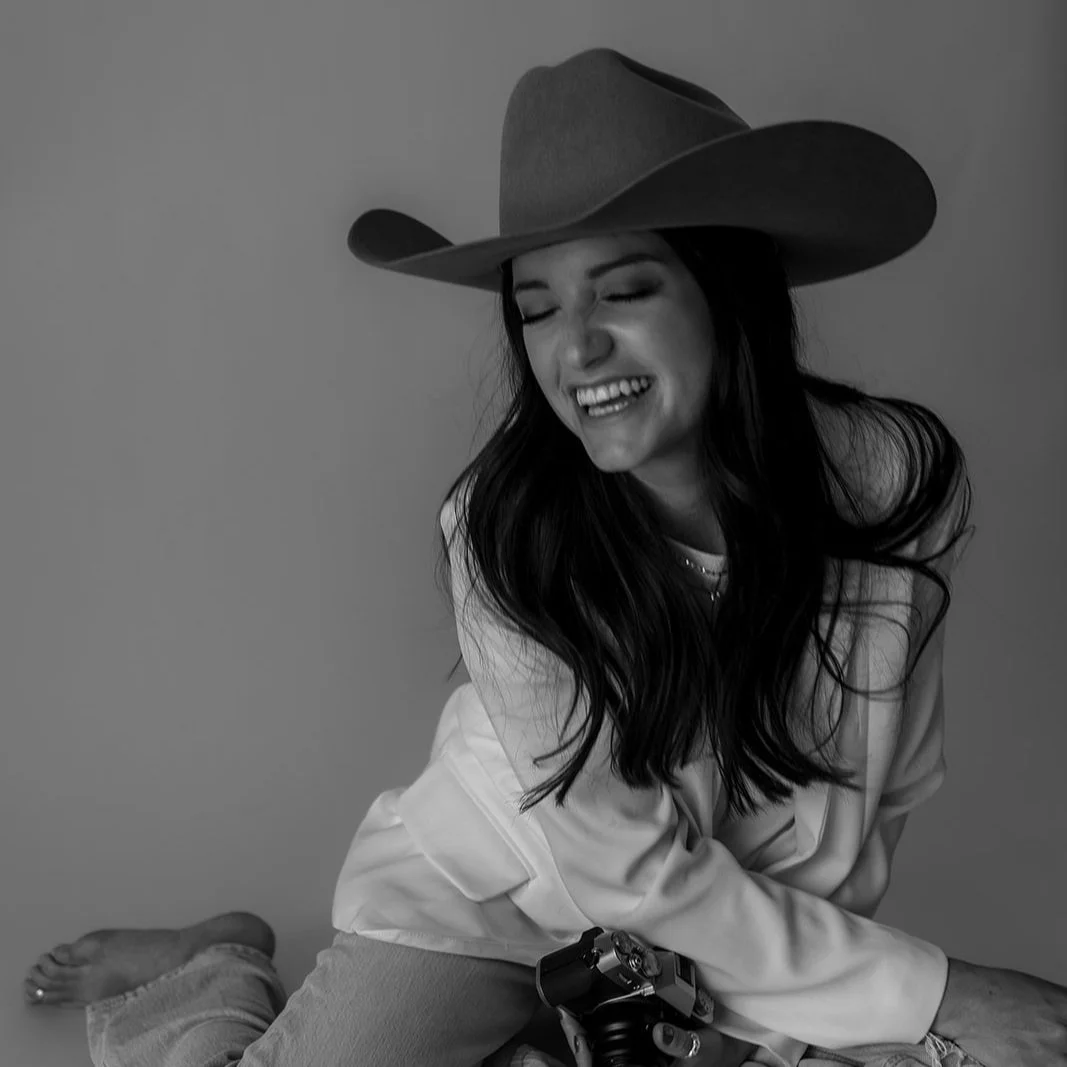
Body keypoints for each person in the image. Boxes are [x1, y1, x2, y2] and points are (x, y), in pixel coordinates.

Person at [21, 45, 1067, 1067]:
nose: (574, 349)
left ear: (727, 291)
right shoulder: (503, 533)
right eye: (534, 307)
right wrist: (940, 986)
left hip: (726, 936)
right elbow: (627, 873)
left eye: (622, 291)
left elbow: (870, 793)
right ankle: (214, 963)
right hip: (498, 891)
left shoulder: (888, 481)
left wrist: (797, 1028)